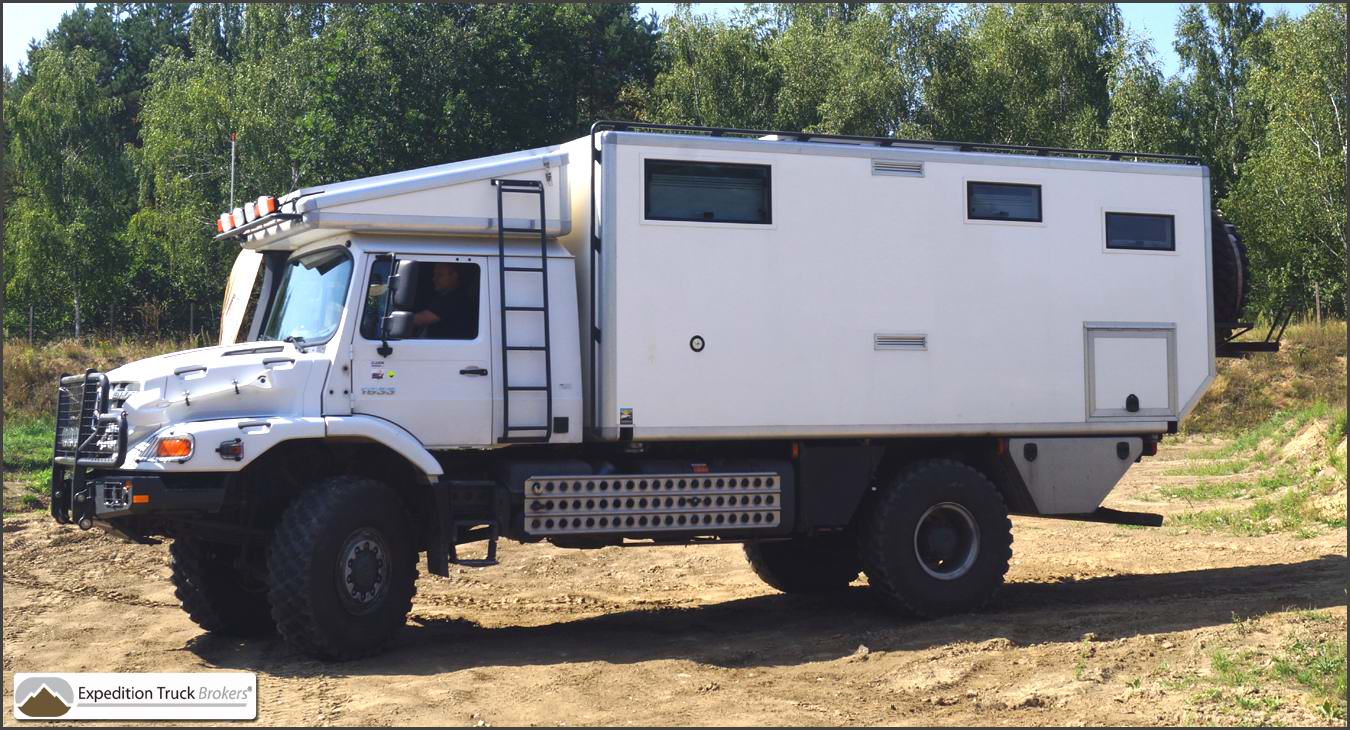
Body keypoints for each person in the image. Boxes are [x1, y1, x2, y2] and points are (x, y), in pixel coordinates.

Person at [414, 263, 477, 339]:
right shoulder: (444, 296)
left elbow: (421, 319)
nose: (434, 279)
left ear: (454, 276)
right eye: (434, 275)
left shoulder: (455, 299)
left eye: (440, 275)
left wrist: (398, 319)